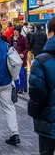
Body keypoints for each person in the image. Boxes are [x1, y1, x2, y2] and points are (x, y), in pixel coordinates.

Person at [28, 17, 55, 155]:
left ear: (51, 32)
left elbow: (37, 93)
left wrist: (33, 112)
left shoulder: (41, 61)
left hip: (48, 119)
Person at [9, 25, 28, 94]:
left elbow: (27, 48)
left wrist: (23, 54)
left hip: (21, 59)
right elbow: (9, 47)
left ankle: (22, 87)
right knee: (15, 74)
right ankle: (17, 87)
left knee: (21, 74)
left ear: (19, 32)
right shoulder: (11, 38)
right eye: (14, 30)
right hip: (13, 58)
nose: (15, 32)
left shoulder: (23, 38)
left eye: (16, 31)